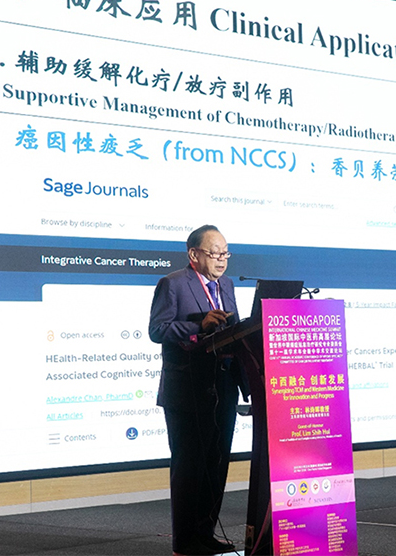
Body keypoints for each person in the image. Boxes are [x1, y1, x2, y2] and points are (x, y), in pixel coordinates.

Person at [149, 225, 245, 555]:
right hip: (187, 389)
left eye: (225, 253)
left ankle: (206, 533)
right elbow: (157, 330)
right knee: (190, 467)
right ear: (194, 254)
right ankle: (185, 541)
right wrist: (197, 326)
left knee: (216, 464)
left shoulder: (227, 285)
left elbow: (234, 330)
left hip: (222, 387)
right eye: (214, 253)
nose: (221, 259)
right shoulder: (173, 283)